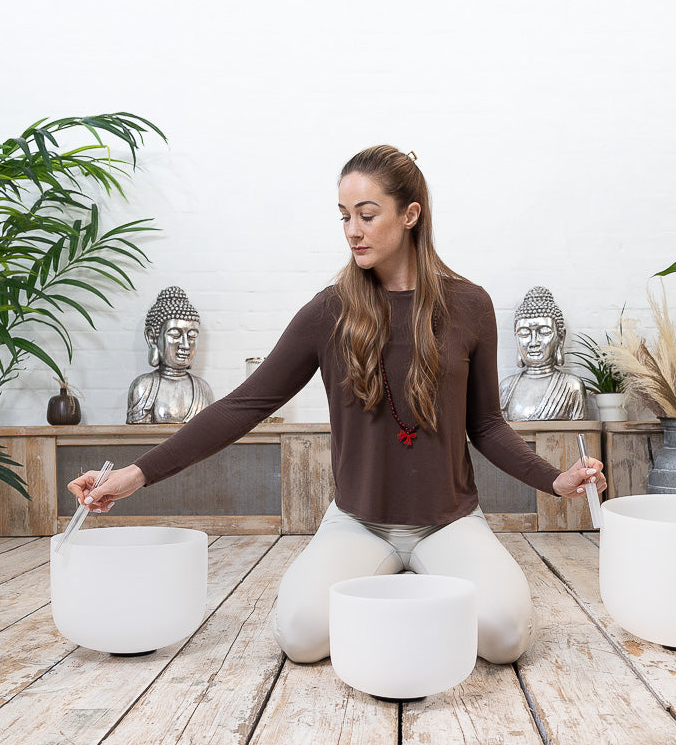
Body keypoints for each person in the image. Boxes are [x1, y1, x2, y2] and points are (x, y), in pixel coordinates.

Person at [69, 146, 606, 665]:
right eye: (344, 215)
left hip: (449, 521)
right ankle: (399, 590)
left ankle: (405, 589)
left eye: (367, 215)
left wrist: (553, 480)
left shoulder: (470, 305)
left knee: (506, 638)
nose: (353, 230)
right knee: (300, 638)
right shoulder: (329, 312)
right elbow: (242, 405)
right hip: (359, 524)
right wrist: (136, 475)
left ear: (411, 214)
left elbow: (486, 424)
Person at [126, 286, 215, 423]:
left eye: (192, 336)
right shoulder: (144, 387)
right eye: (175, 334)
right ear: (152, 337)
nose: (185, 345)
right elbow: (137, 440)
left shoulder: (203, 389)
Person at [500, 285, 586, 421]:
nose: (534, 342)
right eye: (524, 333)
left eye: (544, 332)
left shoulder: (572, 386)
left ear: (561, 337)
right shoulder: (506, 388)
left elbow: (579, 435)